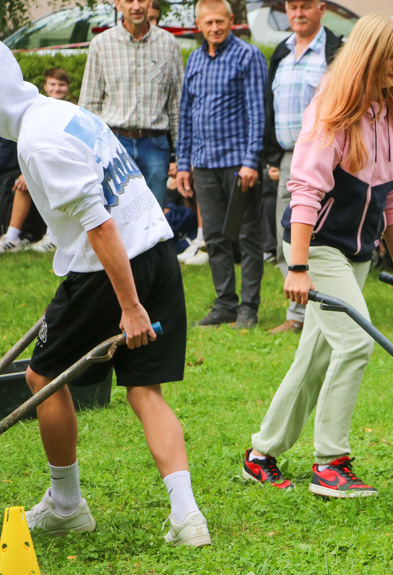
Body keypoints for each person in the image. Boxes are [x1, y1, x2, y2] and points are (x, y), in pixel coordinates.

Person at [0, 43, 210, 546]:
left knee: (42, 375)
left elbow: (98, 224)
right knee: (143, 388)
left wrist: (130, 305)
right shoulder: (61, 111)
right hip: (157, 248)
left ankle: (68, 505)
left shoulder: (37, 141)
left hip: (113, 266)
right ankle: (188, 519)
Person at [243, 13, 393, 496]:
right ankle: (330, 463)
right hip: (317, 246)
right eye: (389, 57)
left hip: (357, 251)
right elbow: (304, 191)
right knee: (357, 342)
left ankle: (261, 453)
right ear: (366, 56)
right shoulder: (331, 111)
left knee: (317, 355)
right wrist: (297, 265)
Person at [176, 0, 267, 329]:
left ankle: (249, 307)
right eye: (208, 22)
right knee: (214, 236)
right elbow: (186, 114)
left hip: (237, 165)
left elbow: (258, 113)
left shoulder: (248, 56)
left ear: (231, 20)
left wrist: (251, 160)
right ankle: (225, 304)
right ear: (198, 24)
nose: (215, 28)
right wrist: (183, 162)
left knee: (247, 235)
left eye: (220, 21)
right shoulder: (195, 59)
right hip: (203, 163)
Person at [263, 0, 342, 334]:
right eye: (292, 6)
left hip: (326, 155)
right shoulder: (281, 51)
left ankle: (321, 311)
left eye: (305, 6)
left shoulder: (336, 50)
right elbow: (270, 105)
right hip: (286, 157)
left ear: (321, 9)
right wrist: (271, 156)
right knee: (288, 235)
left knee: (322, 237)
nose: (298, 13)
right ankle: (300, 313)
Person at [79, 0, 184, 209]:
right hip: (115, 142)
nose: (136, 6)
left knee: (155, 215)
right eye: (129, 1)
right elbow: (89, 104)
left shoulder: (168, 43)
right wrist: (92, 152)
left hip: (155, 144)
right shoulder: (101, 44)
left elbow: (177, 105)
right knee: (117, 214)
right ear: (118, 4)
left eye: (142, 0)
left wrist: (180, 156)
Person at [0, 67, 71, 254]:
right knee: (22, 182)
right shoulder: (39, 109)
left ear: (68, 88)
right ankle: (12, 237)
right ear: (45, 86)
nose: (57, 89)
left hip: (64, 164)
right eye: (53, 84)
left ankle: (53, 237)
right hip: (40, 163)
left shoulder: (71, 110)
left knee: (47, 181)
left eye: (61, 85)